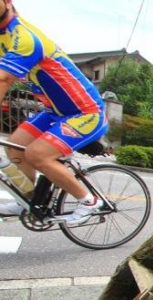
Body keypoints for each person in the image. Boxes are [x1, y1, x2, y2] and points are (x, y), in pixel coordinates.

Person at [0, 1, 108, 225]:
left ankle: (89, 200)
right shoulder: (3, 38)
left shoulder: (25, 38)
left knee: (37, 155)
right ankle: (28, 200)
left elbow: (4, 80)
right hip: (54, 112)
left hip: (85, 111)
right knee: (15, 147)